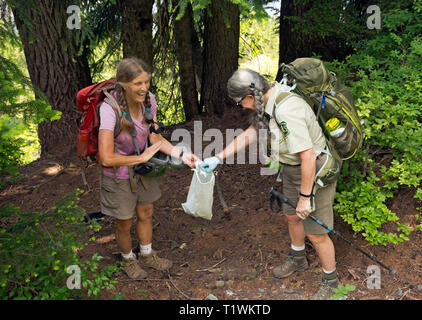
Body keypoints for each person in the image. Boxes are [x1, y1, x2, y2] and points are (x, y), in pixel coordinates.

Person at [199, 68, 340, 299]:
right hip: (293, 167)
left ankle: (331, 281)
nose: (241, 108)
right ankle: (297, 258)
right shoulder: (268, 103)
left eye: (239, 103)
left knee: (316, 232)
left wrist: (305, 198)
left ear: (250, 97)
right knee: (292, 216)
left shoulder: (287, 110)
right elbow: (252, 133)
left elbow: (308, 156)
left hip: (314, 171)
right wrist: (218, 157)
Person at [98, 57, 198, 279]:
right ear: (124, 84)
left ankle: (146, 254)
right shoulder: (109, 109)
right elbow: (106, 157)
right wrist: (140, 157)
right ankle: (128, 259)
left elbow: (156, 138)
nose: (144, 88)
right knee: (124, 221)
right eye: (137, 84)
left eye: (146, 82)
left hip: (143, 170)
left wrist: (182, 155)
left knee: (146, 213)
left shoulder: (149, 100)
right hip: (119, 173)